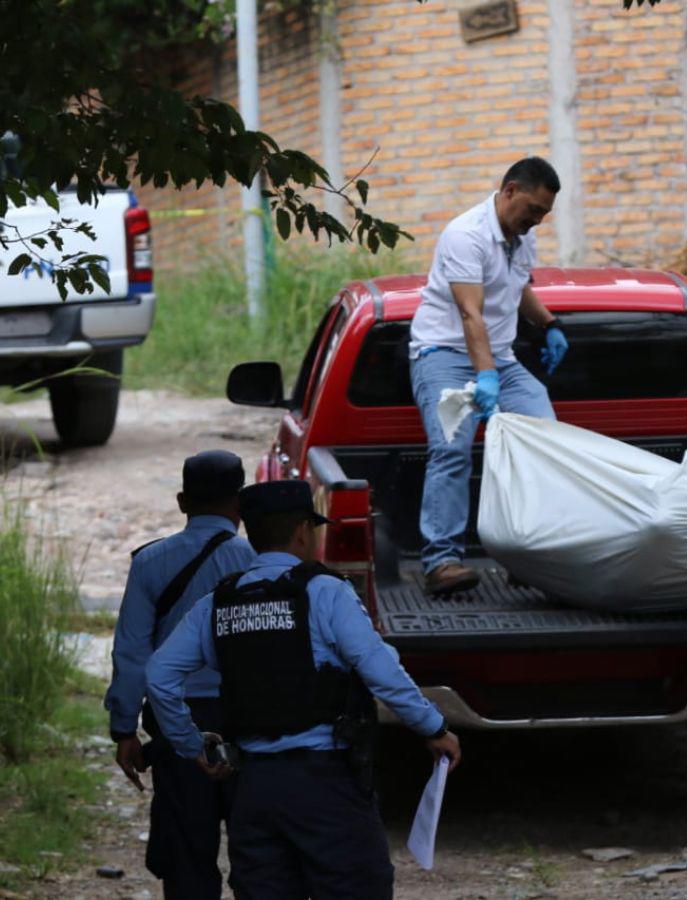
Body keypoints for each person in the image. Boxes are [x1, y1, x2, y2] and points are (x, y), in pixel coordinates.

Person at [145, 480, 462, 899]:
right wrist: (433, 728)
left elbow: (159, 675)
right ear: (302, 532)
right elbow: (380, 670)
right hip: (325, 784)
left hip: (253, 789)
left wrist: (191, 744)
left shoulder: (218, 603)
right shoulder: (326, 593)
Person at [408, 156, 568, 594]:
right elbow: (470, 313)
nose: (537, 221)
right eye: (533, 209)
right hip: (444, 354)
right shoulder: (467, 236)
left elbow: (518, 290)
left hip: (498, 358)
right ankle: (441, 563)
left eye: (544, 214)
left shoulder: (521, 236)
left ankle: (528, 555)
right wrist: (486, 377)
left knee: (545, 443)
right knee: (452, 448)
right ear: (510, 190)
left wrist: (550, 324)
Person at [104, 450, 257, 899]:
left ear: (181, 501)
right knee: (258, 851)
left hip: (177, 724)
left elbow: (132, 653)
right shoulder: (258, 562)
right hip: (250, 720)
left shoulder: (150, 563)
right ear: (240, 505)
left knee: (187, 851)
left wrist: (123, 729)